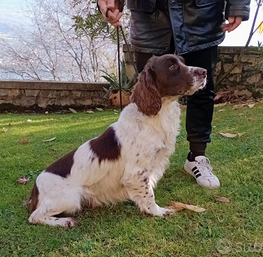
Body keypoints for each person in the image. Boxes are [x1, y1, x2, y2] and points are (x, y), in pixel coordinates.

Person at [97, 0, 251, 189]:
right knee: (147, 90)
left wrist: (238, 5)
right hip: (147, 15)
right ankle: (139, 162)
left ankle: (197, 158)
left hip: (201, 13)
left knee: (202, 90)